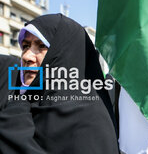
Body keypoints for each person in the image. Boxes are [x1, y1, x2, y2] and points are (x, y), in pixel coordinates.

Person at [1, 13, 119, 154]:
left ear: (64, 53)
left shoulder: (88, 122)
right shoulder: (24, 103)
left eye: (41, 46)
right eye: (25, 46)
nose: (26, 56)